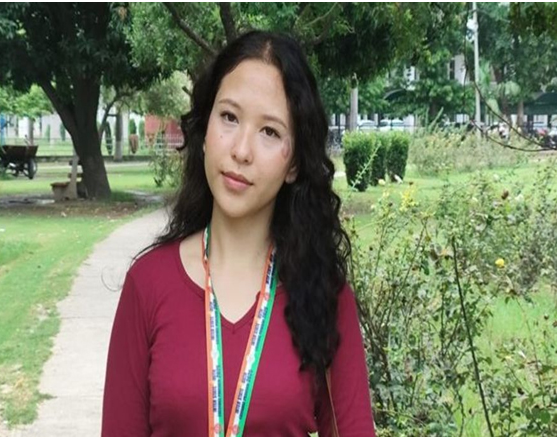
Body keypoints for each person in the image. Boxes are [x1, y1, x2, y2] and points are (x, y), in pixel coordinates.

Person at [102, 30, 375, 437]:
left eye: (270, 132)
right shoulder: (148, 285)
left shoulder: (325, 296)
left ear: (294, 164)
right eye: (229, 117)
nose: (241, 150)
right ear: (205, 129)